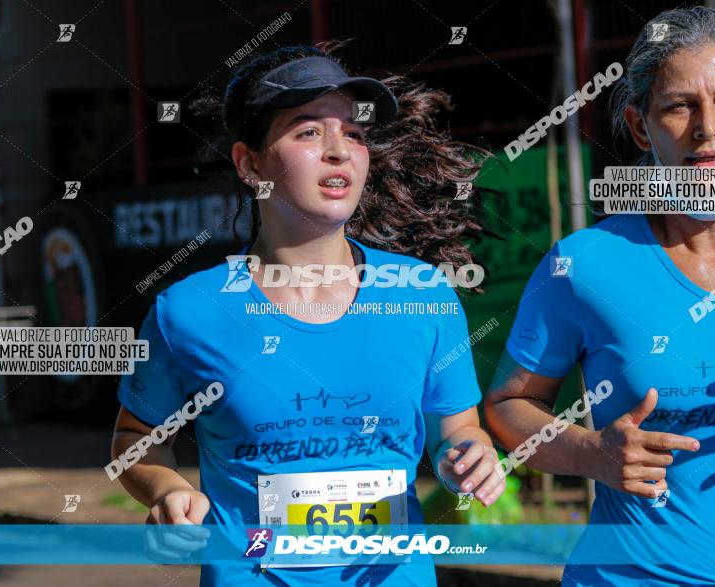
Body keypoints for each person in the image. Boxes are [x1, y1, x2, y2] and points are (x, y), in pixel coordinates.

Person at [110, 44, 505, 586]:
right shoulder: (189, 311)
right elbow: (137, 437)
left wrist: (469, 455)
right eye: (308, 132)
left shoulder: (424, 295)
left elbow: (456, 428)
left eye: (354, 134)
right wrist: (167, 490)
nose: (339, 151)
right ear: (251, 164)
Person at [485, 6, 715, 586]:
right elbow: (508, 407)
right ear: (639, 126)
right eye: (679, 105)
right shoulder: (583, 265)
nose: (707, 126)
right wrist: (589, 453)